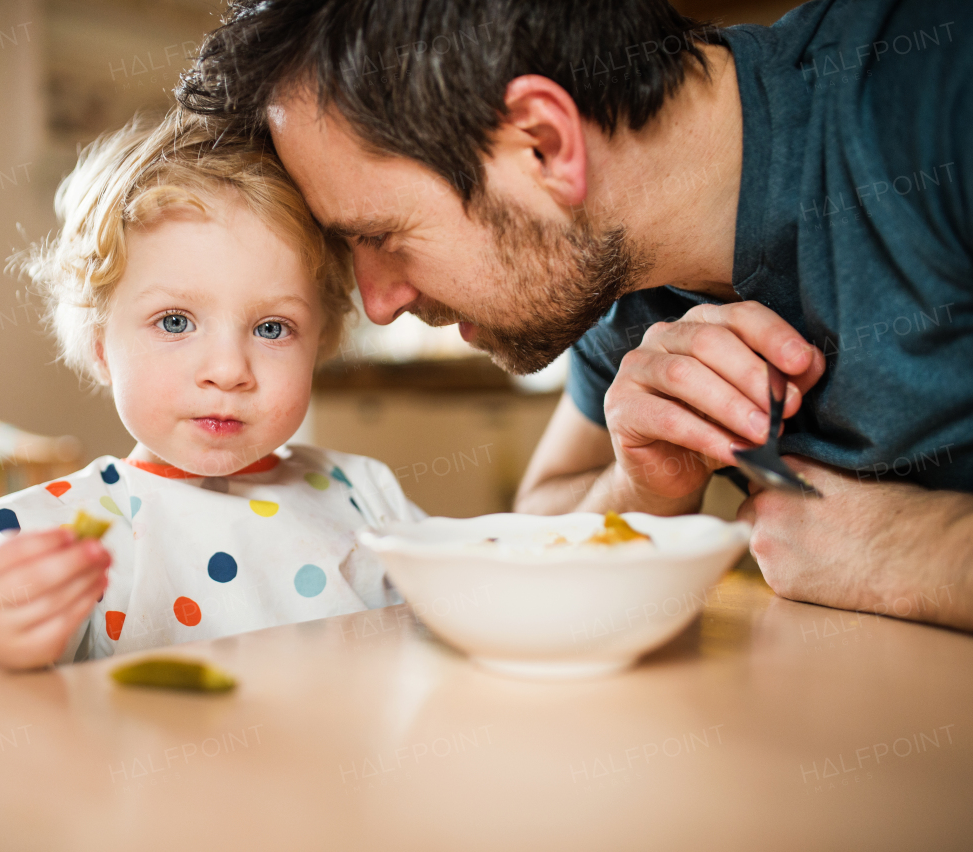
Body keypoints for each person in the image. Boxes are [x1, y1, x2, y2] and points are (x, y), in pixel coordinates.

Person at [176, 0, 973, 631]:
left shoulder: (934, 90)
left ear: (547, 143)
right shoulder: (613, 275)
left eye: (380, 235)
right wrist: (640, 483)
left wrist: (907, 552)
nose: (378, 303)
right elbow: (546, 511)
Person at [0, 111, 422, 698]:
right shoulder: (43, 533)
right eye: (176, 321)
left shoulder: (366, 494)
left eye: (272, 328)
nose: (228, 370)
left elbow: (453, 626)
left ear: (322, 341)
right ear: (101, 345)